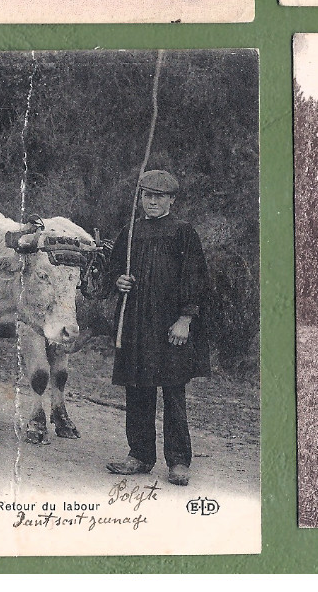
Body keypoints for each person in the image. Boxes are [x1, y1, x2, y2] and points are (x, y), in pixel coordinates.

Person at [101, 169, 209, 486]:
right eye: (147, 195)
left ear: (171, 200)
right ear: (141, 198)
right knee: (137, 390)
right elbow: (114, 271)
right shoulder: (130, 233)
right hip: (135, 324)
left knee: (173, 394)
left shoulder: (182, 232)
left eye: (159, 197)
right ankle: (139, 456)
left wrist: (185, 318)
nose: (152, 202)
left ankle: (178, 462)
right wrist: (118, 279)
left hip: (169, 326)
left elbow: (196, 279)